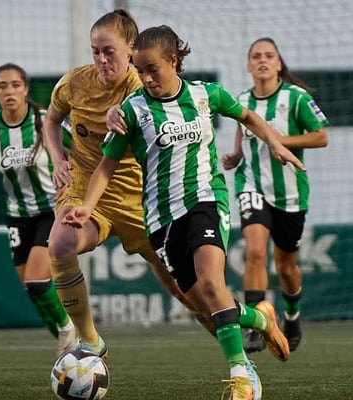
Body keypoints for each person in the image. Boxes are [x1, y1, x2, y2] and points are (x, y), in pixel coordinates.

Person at [63, 25, 304, 399]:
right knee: (204, 305)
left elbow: (247, 116)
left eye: (152, 69)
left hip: (206, 201)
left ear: (173, 60)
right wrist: (86, 207)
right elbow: (106, 166)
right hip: (161, 219)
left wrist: (275, 142)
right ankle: (260, 317)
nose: (146, 78)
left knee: (212, 282)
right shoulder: (133, 110)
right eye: (140, 71)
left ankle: (242, 376)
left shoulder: (206, 95)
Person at [43, 8, 209, 362]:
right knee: (60, 244)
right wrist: (58, 159)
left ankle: (237, 352)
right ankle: (90, 341)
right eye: (95, 51)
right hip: (87, 193)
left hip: (141, 201)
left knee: (185, 291)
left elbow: (154, 109)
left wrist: (125, 111)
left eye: (109, 51)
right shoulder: (73, 83)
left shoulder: (143, 87)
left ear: (131, 50)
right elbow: (52, 120)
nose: (102, 60)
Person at [222, 37, 329, 354]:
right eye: (256, 56)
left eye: (269, 55)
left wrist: (281, 141)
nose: (262, 60)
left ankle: (292, 317)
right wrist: (235, 156)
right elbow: (243, 134)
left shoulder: (296, 98)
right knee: (255, 252)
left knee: (286, 268)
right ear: (248, 65)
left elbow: (321, 136)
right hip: (251, 185)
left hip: (290, 193)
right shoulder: (243, 100)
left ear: (279, 64)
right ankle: (256, 326)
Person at [0, 63, 77, 357]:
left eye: (15, 85)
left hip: (51, 210)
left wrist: (74, 178)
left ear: (26, 89)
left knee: (37, 280)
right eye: (3, 86)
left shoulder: (46, 121)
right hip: (17, 216)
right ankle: (70, 352)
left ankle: (70, 329)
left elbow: (80, 150)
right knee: (32, 290)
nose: (9, 91)